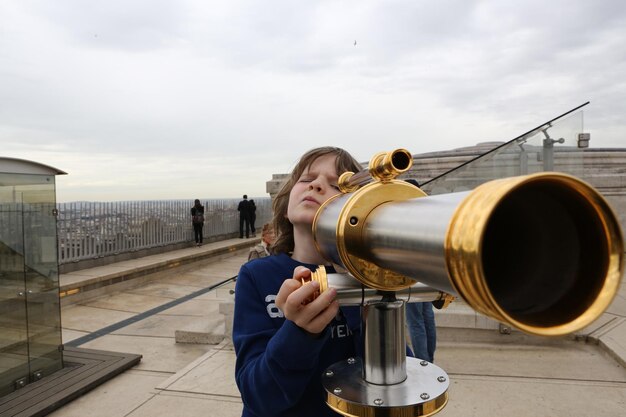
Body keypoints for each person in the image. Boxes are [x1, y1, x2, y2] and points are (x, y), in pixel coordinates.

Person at [233, 147, 363, 417]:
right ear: (287, 201)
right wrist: (300, 333)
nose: (316, 184)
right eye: (307, 179)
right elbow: (257, 394)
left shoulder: (366, 279)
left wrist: (360, 299)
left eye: (336, 184)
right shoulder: (256, 276)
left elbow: (396, 373)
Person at [403, 179, 437, 362]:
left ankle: (423, 362)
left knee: (415, 321)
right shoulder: (426, 213)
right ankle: (430, 359)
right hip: (427, 271)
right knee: (427, 317)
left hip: (410, 272)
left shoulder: (404, 215)